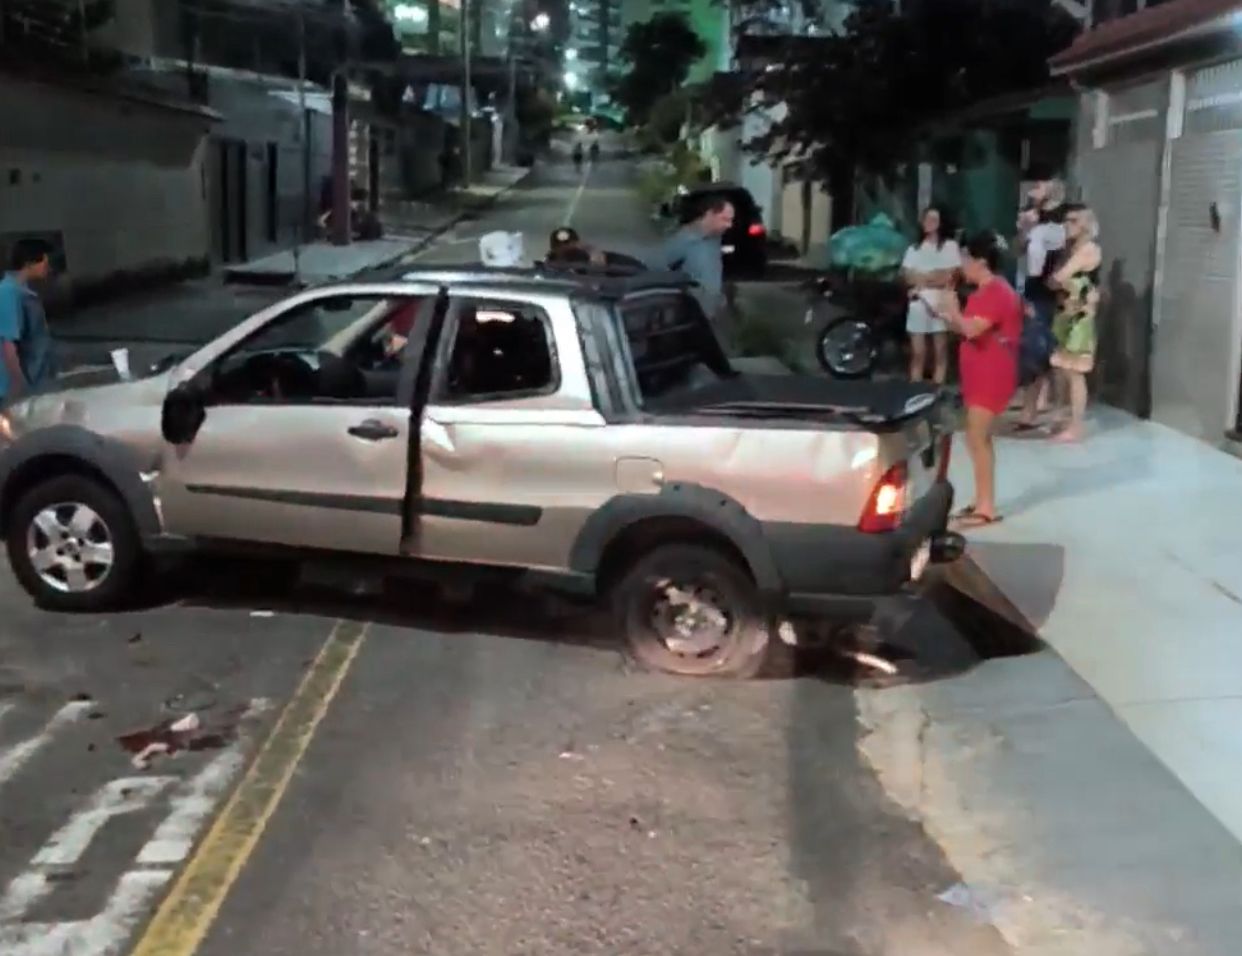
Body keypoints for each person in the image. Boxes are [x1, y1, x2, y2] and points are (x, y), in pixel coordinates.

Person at [936, 232, 1023, 529]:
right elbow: (965, 327)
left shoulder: (997, 292)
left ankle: (987, 506)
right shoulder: (982, 292)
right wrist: (948, 312)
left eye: (965, 259)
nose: (961, 265)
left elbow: (972, 330)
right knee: (977, 438)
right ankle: (982, 498)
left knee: (977, 436)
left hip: (992, 372)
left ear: (980, 261)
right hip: (980, 371)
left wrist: (951, 308)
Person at [1014, 180, 1067, 431]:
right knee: (1034, 350)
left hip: (1047, 294)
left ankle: (1046, 409)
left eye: (1040, 187)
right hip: (1031, 290)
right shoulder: (1031, 221)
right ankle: (1032, 406)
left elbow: (1054, 264)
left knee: (1044, 351)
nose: (1034, 191)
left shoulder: (1060, 225)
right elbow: (1020, 251)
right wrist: (1025, 229)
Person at [1047, 203, 1102, 443]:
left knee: (1074, 372)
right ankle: (1063, 416)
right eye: (1066, 221)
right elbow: (1052, 280)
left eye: (1073, 221)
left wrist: (1061, 282)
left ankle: (1076, 425)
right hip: (1066, 315)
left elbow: (1060, 277)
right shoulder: (1070, 250)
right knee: (1061, 369)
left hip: (1079, 319)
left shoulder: (1088, 250)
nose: (1067, 226)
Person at [645, 193, 733, 340]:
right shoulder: (684, 239)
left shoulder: (714, 239)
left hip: (710, 318)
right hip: (686, 320)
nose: (729, 225)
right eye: (725, 219)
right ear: (710, 214)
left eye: (731, 220)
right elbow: (655, 266)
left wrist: (719, 299)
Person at [901, 206, 961, 384]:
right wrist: (933, 276)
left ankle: (937, 388)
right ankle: (915, 388)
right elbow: (908, 275)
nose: (929, 223)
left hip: (940, 302)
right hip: (918, 302)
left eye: (933, 219)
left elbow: (950, 276)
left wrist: (924, 278)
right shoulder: (914, 248)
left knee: (940, 350)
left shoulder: (950, 246)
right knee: (918, 352)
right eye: (926, 219)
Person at [0, 238, 58, 408]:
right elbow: (7, 344)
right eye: (44, 263)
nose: (48, 268)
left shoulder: (24, 293)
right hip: (19, 389)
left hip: (38, 381)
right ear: (29, 263)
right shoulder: (8, 293)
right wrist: (20, 386)